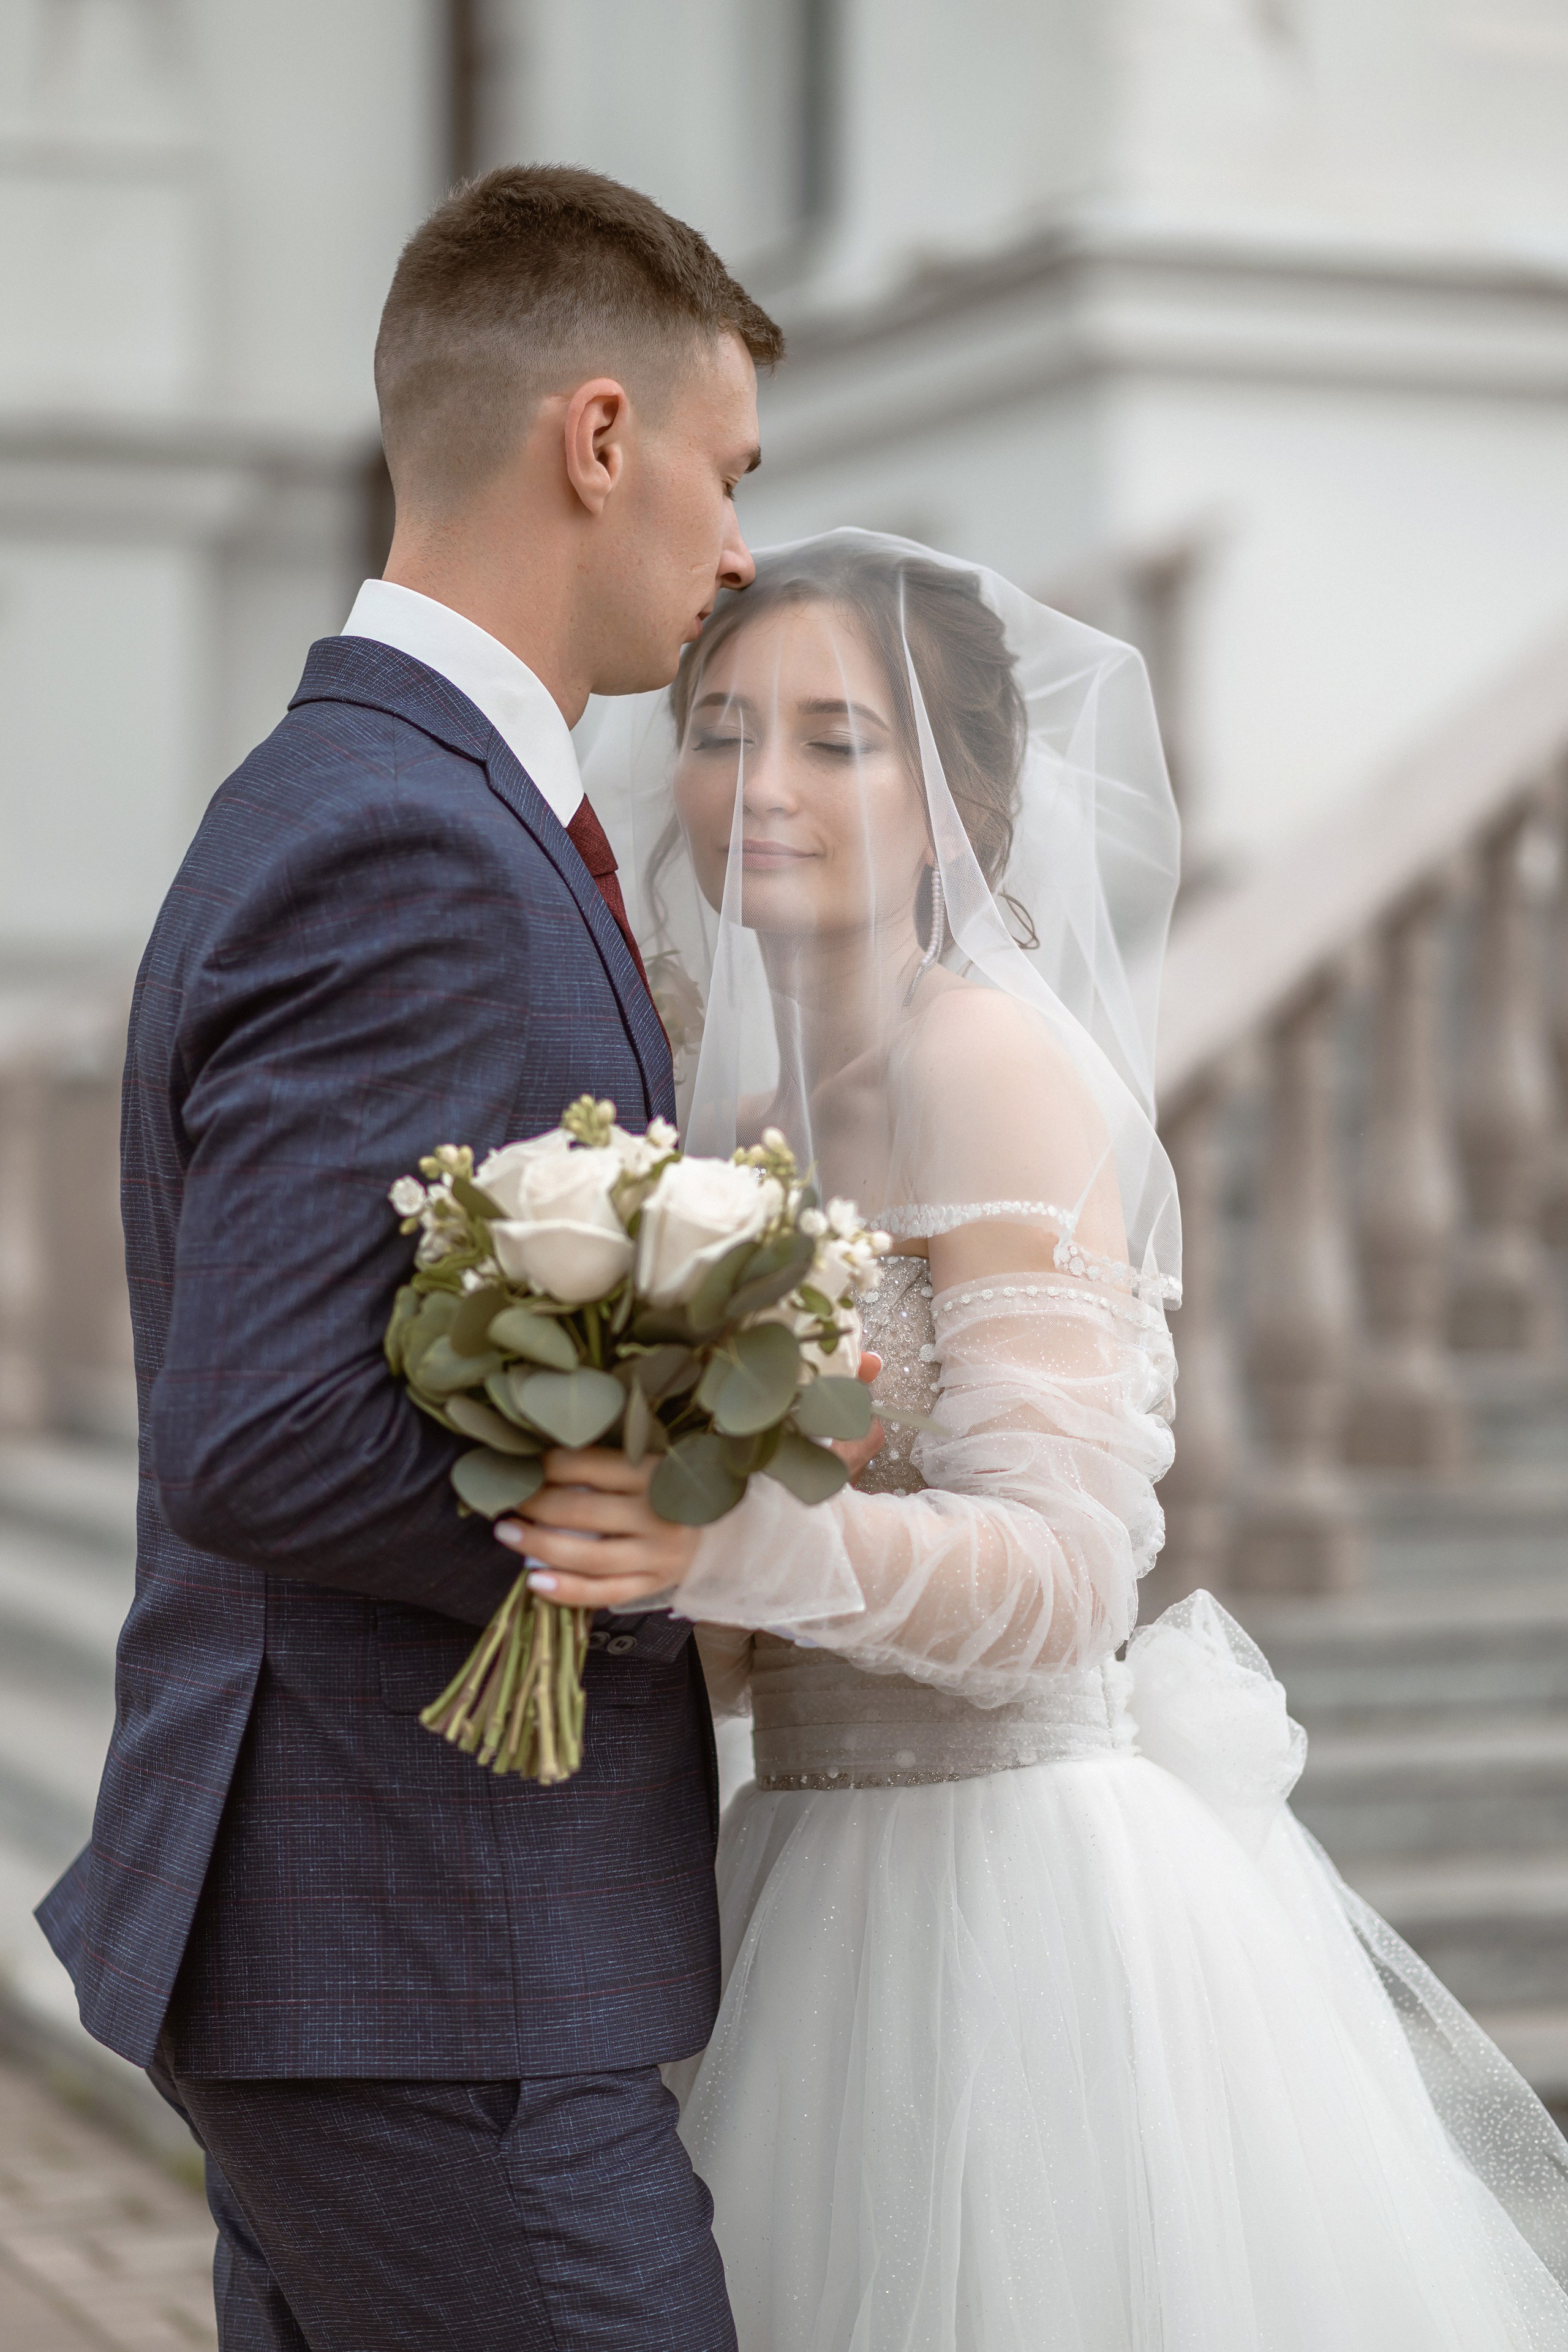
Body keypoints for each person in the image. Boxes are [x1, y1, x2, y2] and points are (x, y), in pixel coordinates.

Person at [519, 528, 1568, 2350]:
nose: (762, 784)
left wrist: (713, 1541)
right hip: (805, 1864)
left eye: (838, 740)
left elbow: (1072, 1578)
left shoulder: (983, 1062)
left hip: (1006, 1899)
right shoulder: (740, 1112)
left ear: (961, 805)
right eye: (721, 730)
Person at [34, 164, 807, 2352]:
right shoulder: (410, 833)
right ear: (597, 439)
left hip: (397, 1949)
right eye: (731, 473)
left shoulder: (400, 793)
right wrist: (656, 1515)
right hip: (427, 1962)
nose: (740, 549)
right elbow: (264, 1434)